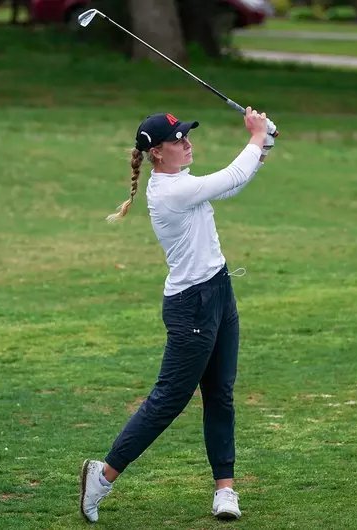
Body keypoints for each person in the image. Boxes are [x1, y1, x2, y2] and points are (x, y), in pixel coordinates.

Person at [79, 107, 276, 523]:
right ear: (157, 154)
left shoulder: (182, 182)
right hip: (193, 306)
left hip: (220, 292)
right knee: (169, 399)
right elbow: (230, 178)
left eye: (186, 136)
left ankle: (225, 490)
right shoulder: (169, 192)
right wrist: (257, 137)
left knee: (220, 393)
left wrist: (262, 147)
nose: (187, 143)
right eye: (178, 140)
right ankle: (103, 475)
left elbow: (228, 187)